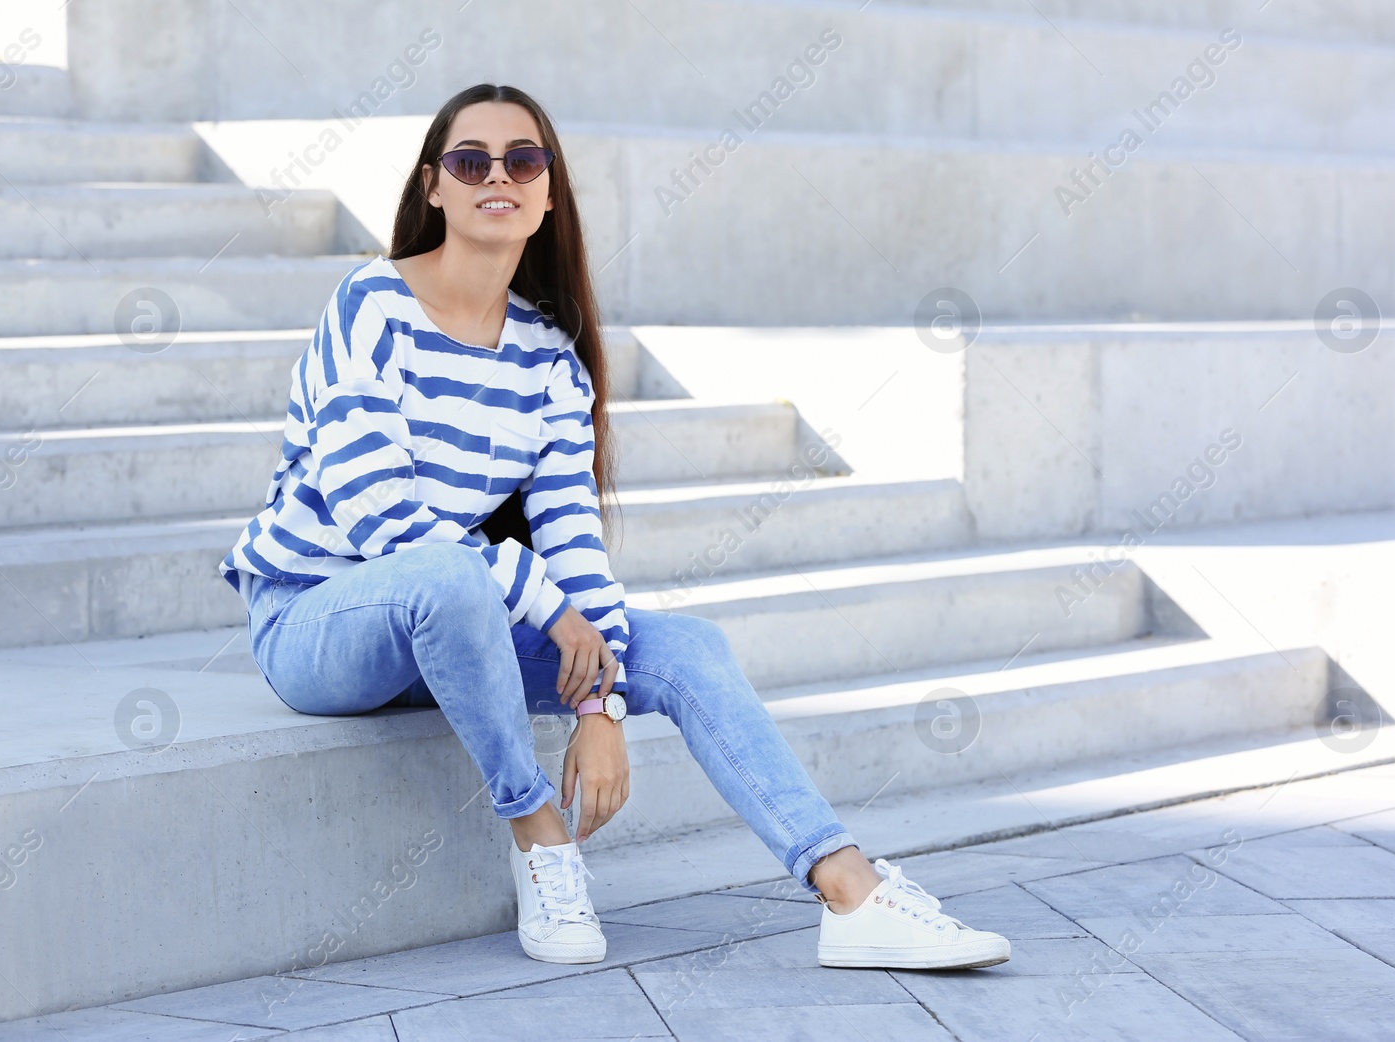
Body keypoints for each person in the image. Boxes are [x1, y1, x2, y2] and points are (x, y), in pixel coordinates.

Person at [220, 82, 1010, 971]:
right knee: (450, 580)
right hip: (318, 619)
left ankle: (847, 888)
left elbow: (570, 539)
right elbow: (383, 521)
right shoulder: (370, 305)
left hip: (459, 626)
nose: (499, 177)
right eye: (470, 160)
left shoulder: (549, 358)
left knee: (688, 646)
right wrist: (550, 614)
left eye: (523, 161)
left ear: (548, 192)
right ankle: (542, 841)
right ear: (433, 187)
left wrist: (601, 696)